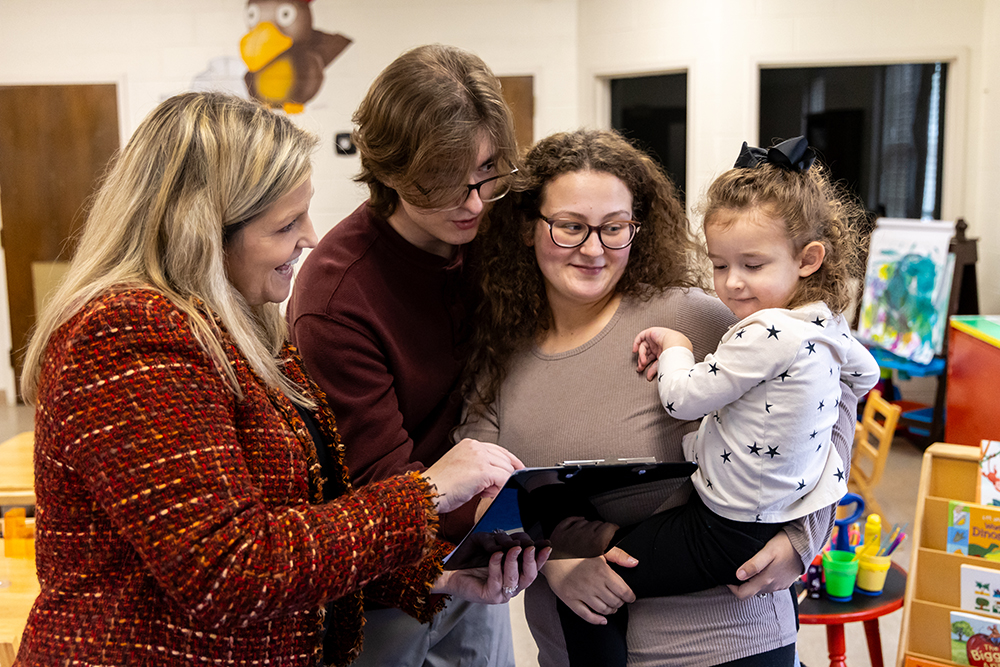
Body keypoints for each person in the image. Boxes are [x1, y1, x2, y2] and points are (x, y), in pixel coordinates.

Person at [13, 91, 547, 667]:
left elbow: (303, 527)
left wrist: (437, 578)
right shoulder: (130, 335)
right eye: (286, 223)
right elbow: (230, 569)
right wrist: (429, 491)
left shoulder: (243, 327)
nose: (312, 237)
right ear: (204, 231)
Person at [457, 129, 860, 667]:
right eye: (571, 226)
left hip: (726, 638)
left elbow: (830, 400)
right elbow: (484, 491)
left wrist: (804, 538)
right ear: (529, 226)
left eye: (615, 228)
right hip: (575, 643)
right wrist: (555, 564)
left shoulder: (700, 316)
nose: (593, 248)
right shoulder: (497, 352)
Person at [562, 136, 882, 665]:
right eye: (718, 265)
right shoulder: (826, 326)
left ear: (808, 259)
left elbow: (682, 399)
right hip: (759, 517)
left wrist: (678, 349)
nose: (731, 285)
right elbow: (864, 376)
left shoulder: (766, 333)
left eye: (752, 265)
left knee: (589, 595)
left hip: (723, 527)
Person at [287, 45, 522, 666]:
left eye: (486, 173)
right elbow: (381, 483)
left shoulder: (488, 236)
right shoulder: (337, 297)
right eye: (446, 184)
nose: (473, 203)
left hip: (479, 548)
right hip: (385, 576)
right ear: (388, 169)